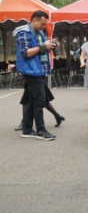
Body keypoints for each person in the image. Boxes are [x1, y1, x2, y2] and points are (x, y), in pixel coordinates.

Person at [14, 10, 57, 141]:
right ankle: (41, 130)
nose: (44, 27)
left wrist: (50, 45)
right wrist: (44, 46)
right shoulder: (24, 32)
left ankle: (27, 129)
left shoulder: (38, 32)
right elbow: (26, 53)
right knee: (40, 100)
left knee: (33, 100)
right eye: (42, 24)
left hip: (38, 69)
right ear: (34, 20)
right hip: (31, 70)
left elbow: (39, 48)